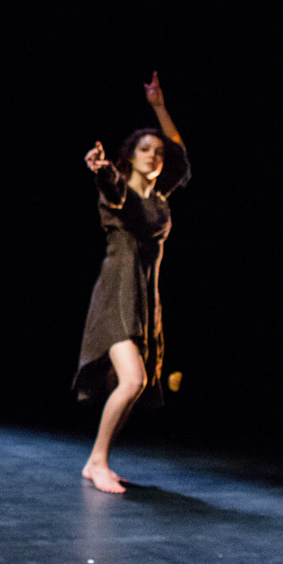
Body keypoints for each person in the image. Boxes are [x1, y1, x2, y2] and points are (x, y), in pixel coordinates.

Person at [74, 73, 190, 493]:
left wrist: (159, 105)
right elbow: (114, 191)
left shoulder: (161, 199)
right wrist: (103, 170)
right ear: (129, 157)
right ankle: (97, 461)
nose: (154, 157)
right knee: (133, 380)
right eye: (145, 150)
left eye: (156, 152)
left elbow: (180, 156)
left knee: (135, 384)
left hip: (145, 296)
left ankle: (98, 460)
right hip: (117, 291)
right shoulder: (119, 188)